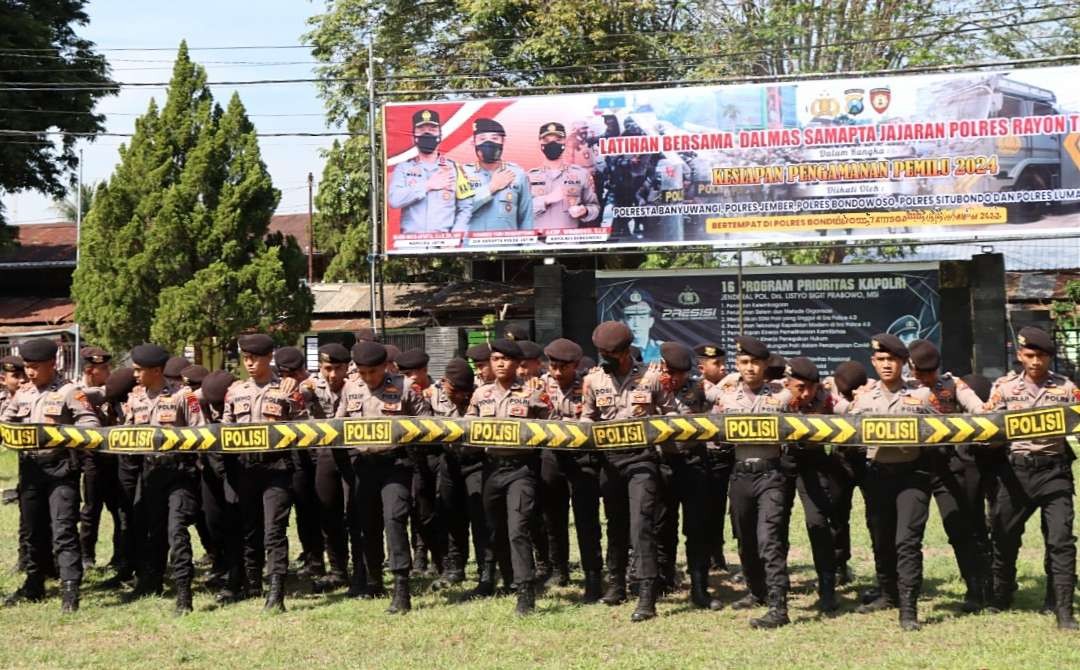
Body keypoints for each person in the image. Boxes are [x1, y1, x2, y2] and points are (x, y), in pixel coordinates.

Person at [580, 321, 677, 622]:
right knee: (615, 523)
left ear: (623, 353)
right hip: (610, 461)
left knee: (641, 524)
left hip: (643, 461)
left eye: (608, 353)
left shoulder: (652, 377)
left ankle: (647, 594)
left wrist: (665, 430)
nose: (603, 358)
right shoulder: (593, 380)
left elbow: (671, 412)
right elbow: (587, 416)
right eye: (600, 352)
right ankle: (616, 584)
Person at [984, 326, 1080, 630]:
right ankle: (1002, 593)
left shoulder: (1066, 389)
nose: (1036, 361)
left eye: (1041, 356)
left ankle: (1062, 606)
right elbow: (988, 426)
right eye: (1030, 355)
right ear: (1020, 355)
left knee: (1061, 540)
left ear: (1050, 357)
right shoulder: (1004, 388)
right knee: (1003, 535)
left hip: (1054, 470)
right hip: (1015, 471)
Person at [1, 338, 100, 612]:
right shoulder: (22, 393)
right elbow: (7, 423)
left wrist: (64, 436)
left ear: (52, 364)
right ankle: (34, 582)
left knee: (63, 529)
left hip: (61, 469)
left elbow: (90, 423)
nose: (30, 373)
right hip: (30, 468)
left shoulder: (70, 392)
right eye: (27, 367)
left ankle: (70, 587)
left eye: (35, 367)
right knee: (32, 529)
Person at [849, 334, 936, 631]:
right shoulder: (863, 398)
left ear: (903, 363)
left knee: (907, 542)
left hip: (912, 475)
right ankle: (888, 594)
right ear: (873, 363)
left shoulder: (922, 395)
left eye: (892, 360)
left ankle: (909, 609)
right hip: (877, 475)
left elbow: (943, 428)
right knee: (881, 538)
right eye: (881, 360)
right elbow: (846, 431)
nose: (887, 365)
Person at [337, 341, 429, 614]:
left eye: (372, 372)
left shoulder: (404, 388)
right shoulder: (350, 388)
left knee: (394, 520)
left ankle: (401, 587)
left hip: (396, 464)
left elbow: (428, 424)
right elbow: (338, 424)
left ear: (385, 367)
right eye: (362, 373)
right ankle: (374, 580)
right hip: (364, 465)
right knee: (367, 524)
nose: (367, 378)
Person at [223, 334, 307, 613]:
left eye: (254, 358)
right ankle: (251, 583)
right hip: (245, 468)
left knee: (274, 530)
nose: (249, 363)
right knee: (249, 528)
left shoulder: (285, 389)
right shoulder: (235, 390)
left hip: (277, 468)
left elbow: (305, 428)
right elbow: (225, 428)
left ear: (269, 357)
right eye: (245, 358)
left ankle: (276, 589)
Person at [466, 339, 551, 615]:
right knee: (495, 528)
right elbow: (467, 426)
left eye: (506, 359)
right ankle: (507, 578)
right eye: (495, 359)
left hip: (521, 469)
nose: (500, 364)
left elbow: (549, 428)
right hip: (491, 468)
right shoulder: (481, 395)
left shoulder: (531, 394)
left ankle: (525, 592)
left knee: (518, 529)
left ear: (518, 364)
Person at [716, 336, 794, 628]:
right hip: (739, 475)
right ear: (737, 364)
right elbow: (715, 433)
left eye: (755, 363)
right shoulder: (726, 398)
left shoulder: (781, 396)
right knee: (745, 539)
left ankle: (779, 606)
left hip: (770, 474)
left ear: (765, 365)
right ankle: (756, 591)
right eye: (744, 363)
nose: (750, 368)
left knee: (769, 538)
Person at [122, 344, 205, 615]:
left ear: (156, 371)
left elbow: (201, 432)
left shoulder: (184, 396)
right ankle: (152, 581)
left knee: (176, 531)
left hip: (179, 473)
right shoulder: (135, 399)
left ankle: (184, 592)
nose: (134, 375)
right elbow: (126, 434)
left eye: (139, 370)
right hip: (150, 473)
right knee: (152, 532)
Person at [907, 339, 989, 612]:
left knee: (960, 528)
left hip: (950, 464)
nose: (925, 378)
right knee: (908, 531)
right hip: (913, 465)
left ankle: (976, 589)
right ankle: (899, 591)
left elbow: (979, 410)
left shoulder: (954, 385)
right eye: (920, 372)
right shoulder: (905, 388)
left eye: (929, 373)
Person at [657, 341, 722, 610]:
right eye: (671, 372)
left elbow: (721, 408)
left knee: (697, 527)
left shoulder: (700, 388)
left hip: (694, 462)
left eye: (681, 373)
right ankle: (663, 580)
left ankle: (699, 587)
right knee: (662, 525)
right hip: (661, 463)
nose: (675, 378)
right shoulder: (650, 386)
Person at [778, 357, 842, 613]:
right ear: (787, 383)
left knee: (818, 522)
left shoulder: (826, 396)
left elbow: (849, 408)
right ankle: (776, 585)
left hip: (814, 461)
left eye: (811, 388)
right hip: (782, 460)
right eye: (799, 387)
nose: (806, 394)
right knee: (777, 521)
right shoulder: (776, 396)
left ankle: (827, 588)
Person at [300, 344, 354, 595]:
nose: (333, 375)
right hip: (326, 454)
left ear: (347, 366)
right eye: (327, 369)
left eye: (338, 368)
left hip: (354, 454)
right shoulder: (310, 385)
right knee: (328, 513)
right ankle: (338, 570)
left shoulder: (357, 385)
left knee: (356, 513)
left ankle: (365, 568)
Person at [539, 338, 590, 594]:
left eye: (563, 368)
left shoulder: (589, 385)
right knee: (552, 516)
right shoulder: (539, 385)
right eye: (553, 366)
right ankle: (558, 568)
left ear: (576, 365)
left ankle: (592, 571)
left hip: (581, 458)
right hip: (552, 456)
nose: (557, 373)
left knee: (585, 515)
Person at [274, 346, 326, 582]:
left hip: (319, 454)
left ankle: (324, 561)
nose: (286, 379)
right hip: (294, 454)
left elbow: (308, 392)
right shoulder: (277, 387)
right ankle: (311, 558)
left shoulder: (313, 383)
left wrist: (299, 389)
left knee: (319, 510)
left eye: (290, 374)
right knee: (302, 511)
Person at [431, 359, 484, 589]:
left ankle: (486, 568)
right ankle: (455, 567)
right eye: (456, 390)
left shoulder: (479, 396)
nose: (461, 396)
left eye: (465, 391)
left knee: (479, 516)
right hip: (449, 461)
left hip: (476, 462)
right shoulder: (432, 396)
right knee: (451, 515)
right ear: (445, 383)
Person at [388, 108, 473, 234]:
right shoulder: (403, 168)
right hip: (410, 245)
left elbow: (466, 207)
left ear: (440, 136)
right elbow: (394, 201)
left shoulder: (455, 168)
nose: (427, 134)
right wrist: (427, 185)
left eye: (432, 130)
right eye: (421, 130)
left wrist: (457, 234)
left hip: (445, 245)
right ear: (413, 137)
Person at [695, 343, 734, 571]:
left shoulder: (732, 387)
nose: (722, 367)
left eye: (723, 362)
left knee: (726, 506)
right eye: (716, 363)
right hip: (705, 454)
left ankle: (718, 552)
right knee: (706, 507)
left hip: (727, 453)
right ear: (702, 367)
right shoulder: (695, 388)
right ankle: (708, 553)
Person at [459, 118, 533, 233]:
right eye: (482, 138)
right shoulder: (462, 173)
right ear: (473, 143)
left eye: (495, 138)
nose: (488, 143)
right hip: (471, 247)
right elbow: (458, 211)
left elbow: (526, 218)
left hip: (508, 247)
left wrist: (525, 247)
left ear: (503, 141)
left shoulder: (518, 174)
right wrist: (491, 188)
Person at [528, 122, 600, 232]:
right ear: (539, 144)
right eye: (546, 140)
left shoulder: (581, 174)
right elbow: (520, 211)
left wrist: (584, 211)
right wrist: (546, 200)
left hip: (570, 243)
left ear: (565, 142)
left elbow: (595, 208)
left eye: (558, 140)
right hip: (538, 244)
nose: (552, 144)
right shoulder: (528, 177)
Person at [620, 288, 662, 363]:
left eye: (642, 317)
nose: (636, 323)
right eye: (631, 318)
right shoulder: (616, 352)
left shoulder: (662, 350)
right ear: (623, 322)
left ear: (651, 321)